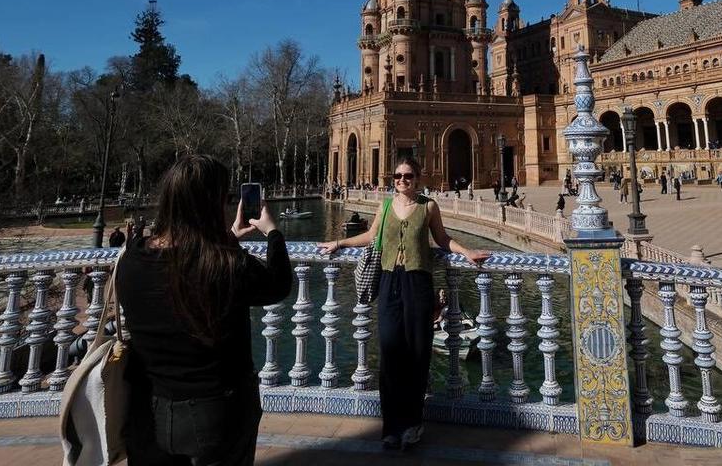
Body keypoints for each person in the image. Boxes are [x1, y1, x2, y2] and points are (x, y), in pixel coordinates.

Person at [119, 154, 293, 466]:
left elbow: (182, 268)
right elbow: (278, 285)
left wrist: (229, 237)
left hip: (149, 411)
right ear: (211, 204)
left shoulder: (132, 258)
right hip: (217, 412)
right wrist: (273, 233)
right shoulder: (227, 266)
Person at [318, 157, 489, 450]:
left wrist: (466, 251)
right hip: (389, 282)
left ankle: (412, 423)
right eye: (397, 176)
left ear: (418, 178)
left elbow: (442, 239)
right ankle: (391, 426)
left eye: (407, 176)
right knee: (390, 352)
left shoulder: (428, 206)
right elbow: (371, 236)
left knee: (418, 353)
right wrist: (339, 243)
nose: (401, 180)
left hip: (418, 283)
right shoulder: (385, 206)